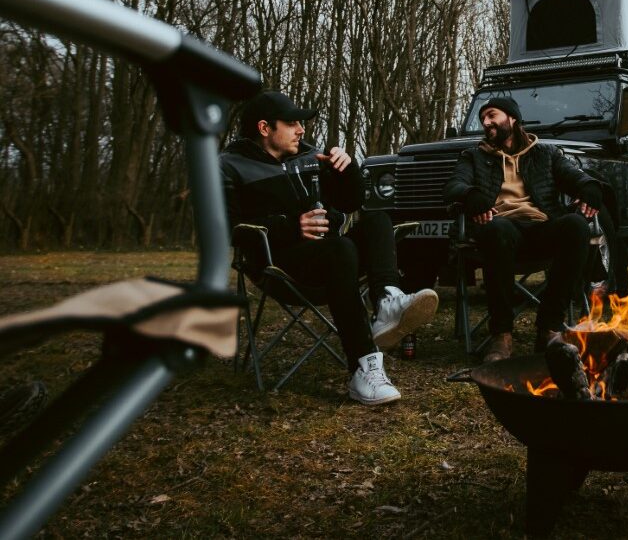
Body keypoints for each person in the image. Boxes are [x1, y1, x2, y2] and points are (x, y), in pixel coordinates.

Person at [220, 90, 438, 405]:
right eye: (292, 123)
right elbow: (225, 229)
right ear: (264, 128)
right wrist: (290, 225)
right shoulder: (229, 165)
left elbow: (351, 202)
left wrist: (347, 170)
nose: (301, 130)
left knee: (377, 220)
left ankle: (388, 300)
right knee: (341, 250)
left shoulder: (310, 157)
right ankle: (364, 368)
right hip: (279, 265)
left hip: (333, 257)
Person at [444, 97, 605, 362]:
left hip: (541, 227)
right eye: (483, 118)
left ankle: (549, 328)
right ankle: (502, 335)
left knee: (576, 226)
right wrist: (471, 195)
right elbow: (454, 186)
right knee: (498, 231)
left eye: (492, 115)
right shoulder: (474, 156)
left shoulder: (545, 153)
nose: (486, 122)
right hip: (501, 230)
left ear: (512, 118)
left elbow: (574, 176)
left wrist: (589, 187)